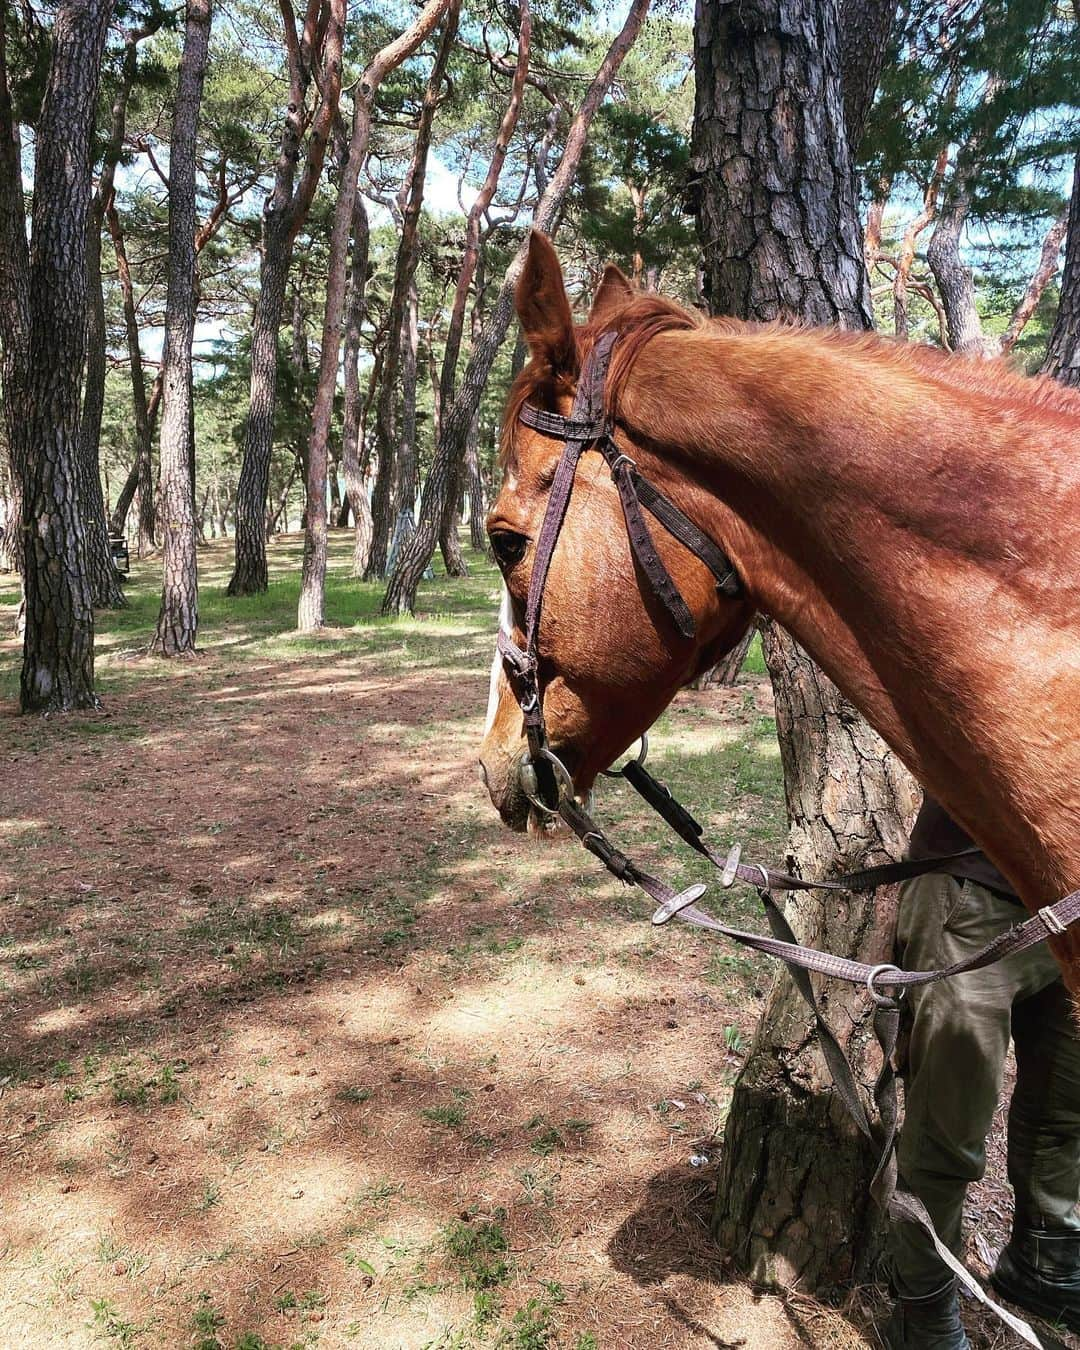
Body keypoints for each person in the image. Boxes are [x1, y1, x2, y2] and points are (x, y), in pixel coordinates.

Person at [884, 796, 1080, 1349]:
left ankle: (1046, 1263)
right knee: (947, 1134)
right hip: (973, 893)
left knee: (1064, 1108)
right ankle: (922, 1318)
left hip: (1072, 905)